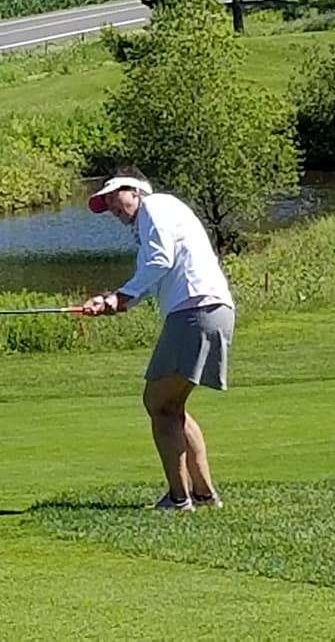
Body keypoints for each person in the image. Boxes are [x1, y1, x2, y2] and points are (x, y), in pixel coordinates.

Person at [82, 166, 236, 512]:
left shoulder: (155, 206)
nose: (112, 207)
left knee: (159, 403)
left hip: (194, 310)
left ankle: (179, 498)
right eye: (106, 203)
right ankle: (203, 494)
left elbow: (159, 260)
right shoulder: (156, 219)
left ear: (135, 190)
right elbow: (153, 273)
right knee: (172, 405)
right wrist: (114, 300)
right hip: (211, 309)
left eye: (115, 196)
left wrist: (120, 297)